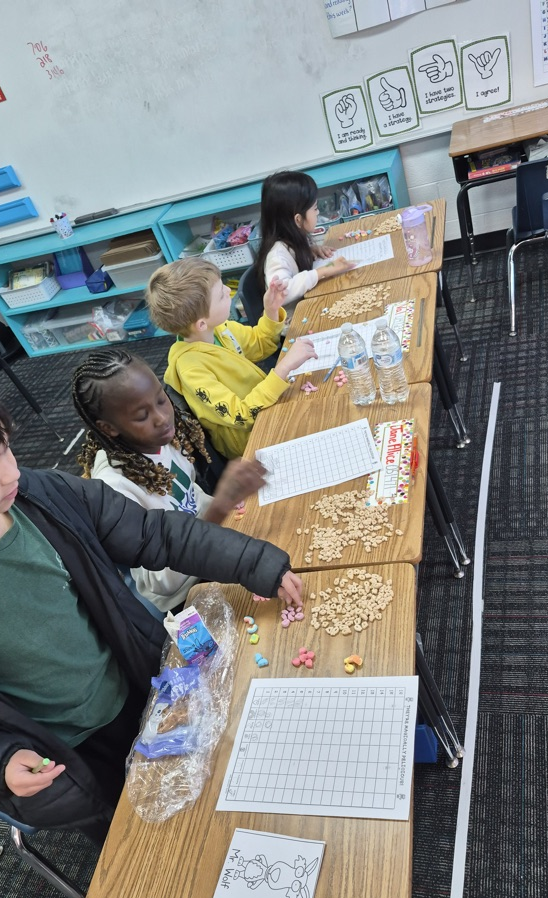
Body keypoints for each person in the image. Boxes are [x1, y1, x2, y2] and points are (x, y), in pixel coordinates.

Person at [0, 365, 302, 842]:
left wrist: (256, 563)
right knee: (149, 844)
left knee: (219, 783)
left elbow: (153, 532)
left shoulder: (43, 494)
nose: (11, 472)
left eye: (6, 449)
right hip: (68, 751)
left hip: (137, 681)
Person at [71, 347, 267, 614]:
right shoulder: (115, 489)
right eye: (142, 416)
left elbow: (189, 494)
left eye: (162, 399)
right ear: (108, 428)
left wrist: (228, 501)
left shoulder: (162, 439)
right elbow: (160, 581)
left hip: (210, 544)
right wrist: (218, 509)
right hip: (186, 595)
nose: (163, 418)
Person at [147, 257, 317, 459]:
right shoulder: (191, 370)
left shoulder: (220, 329)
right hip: (252, 442)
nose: (229, 291)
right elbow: (241, 415)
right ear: (201, 324)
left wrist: (271, 311)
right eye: (221, 295)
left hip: (268, 408)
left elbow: (259, 345)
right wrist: (283, 368)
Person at [254, 170, 356, 313]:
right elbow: (283, 292)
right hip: (294, 324)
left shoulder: (291, 239)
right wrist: (322, 271)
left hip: (309, 304)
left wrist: (310, 250)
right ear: (298, 219)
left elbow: (294, 261)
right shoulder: (276, 256)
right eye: (314, 208)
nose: (318, 212)